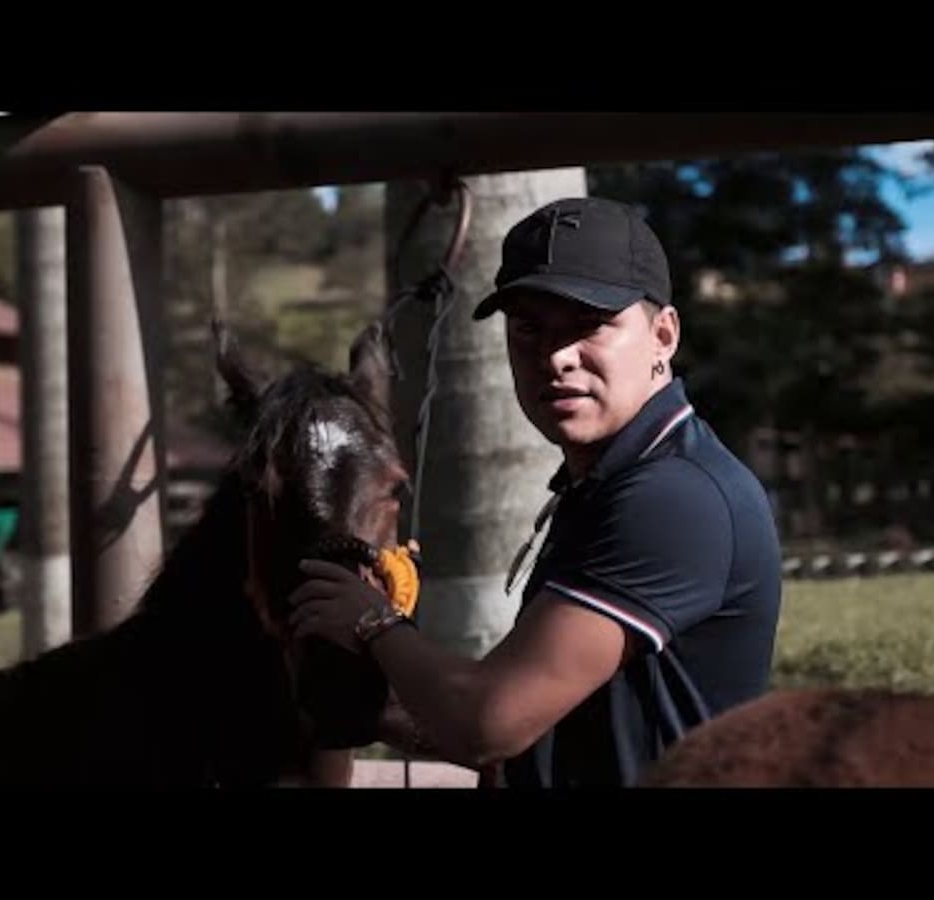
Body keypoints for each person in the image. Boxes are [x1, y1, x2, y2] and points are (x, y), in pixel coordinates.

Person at [288, 196, 782, 787]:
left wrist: (373, 623)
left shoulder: (674, 498)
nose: (555, 357)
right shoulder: (607, 482)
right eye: (528, 328)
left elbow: (490, 723)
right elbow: (536, 732)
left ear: (664, 335)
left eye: (590, 324)